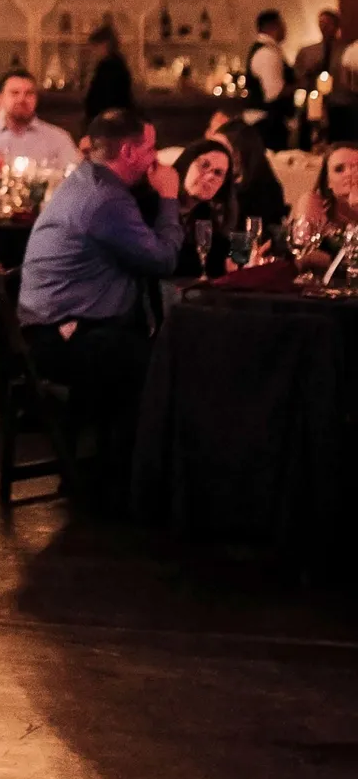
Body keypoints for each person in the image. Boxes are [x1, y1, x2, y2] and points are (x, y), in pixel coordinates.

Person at [17, 108, 182, 511]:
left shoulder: (92, 182)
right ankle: (124, 484)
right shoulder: (104, 199)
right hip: (59, 337)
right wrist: (170, 198)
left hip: (64, 325)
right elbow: (162, 261)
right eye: (150, 149)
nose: (155, 159)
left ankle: (110, 472)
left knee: (144, 349)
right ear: (128, 152)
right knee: (162, 360)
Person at [0, 69, 80, 172]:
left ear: (36, 99)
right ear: (0, 99)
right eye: (14, 93)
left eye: (29, 93)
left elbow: (74, 181)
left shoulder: (59, 140)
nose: (21, 99)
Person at [204, 110, 288, 227]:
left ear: (243, 154)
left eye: (224, 151)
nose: (215, 156)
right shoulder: (208, 185)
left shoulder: (263, 193)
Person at [172, 140, 232, 279]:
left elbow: (214, 267)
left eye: (218, 173)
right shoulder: (156, 204)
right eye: (204, 165)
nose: (210, 176)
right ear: (186, 164)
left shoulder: (206, 216)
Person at [244, 8, 294, 151]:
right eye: (282, 24)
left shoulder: (268, 50)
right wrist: (300, 85)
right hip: (267, 124)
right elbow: (274, 93)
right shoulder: (267, 54)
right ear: (273, 26)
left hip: (266, 122)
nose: (285, 29)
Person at [293, 142, 358, 239]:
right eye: (339, 169)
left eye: (355, 168)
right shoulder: (314, 203)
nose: (349, 174)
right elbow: (302, 246)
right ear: (328, 182)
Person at [82, 23, 133, 123]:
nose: (93, 52)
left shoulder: (108, 66)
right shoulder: (118, 63)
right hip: (115, 120)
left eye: (95, 47)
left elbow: (103, 97)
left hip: (108, 123)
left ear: (104, 45)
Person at [293, 8, 345, 89]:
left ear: (336, 25)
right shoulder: (306, 52)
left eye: (328, 23)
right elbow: (297, 76)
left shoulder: (346, 50)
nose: (324, 27)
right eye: (322, 23)